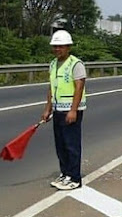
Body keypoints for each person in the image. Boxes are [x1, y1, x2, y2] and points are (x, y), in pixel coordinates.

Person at [41, 30, 87, 190]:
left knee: (71, 144)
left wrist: (73, 110)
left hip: (71, 111)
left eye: (60, 46)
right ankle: (65, 173)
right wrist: (48, 109)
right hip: (58, 110)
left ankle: (74, 178)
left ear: (68, 47)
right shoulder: (53, 64)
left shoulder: (76, 64)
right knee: (60, 144)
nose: (57, 49)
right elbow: (51, 87)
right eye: (55, 46)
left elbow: (79, 86)